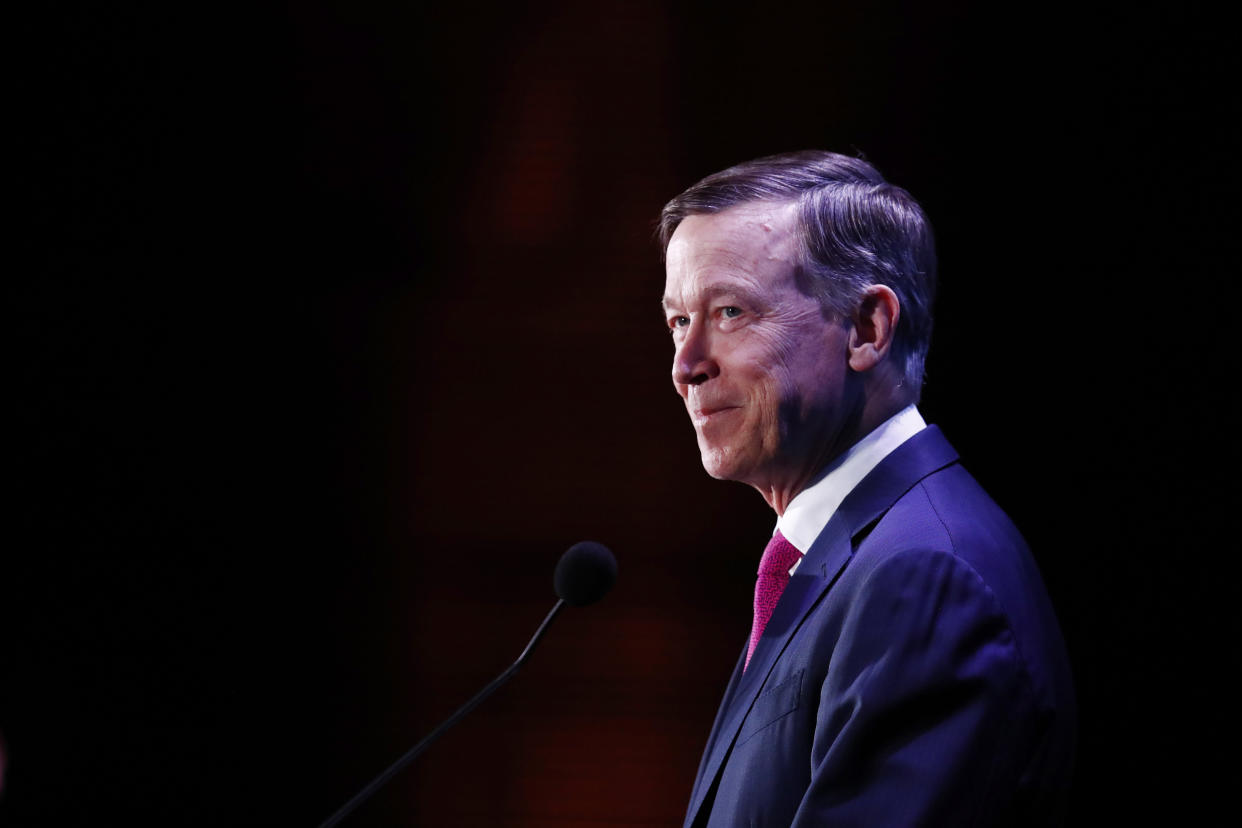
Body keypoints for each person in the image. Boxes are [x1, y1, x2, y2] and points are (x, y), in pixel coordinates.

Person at [659, 151, 1075, 827]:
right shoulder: (846, 561)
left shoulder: (923, 578)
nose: (687, 366)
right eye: (679, 321)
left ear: (866, 328)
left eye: (729, 311)